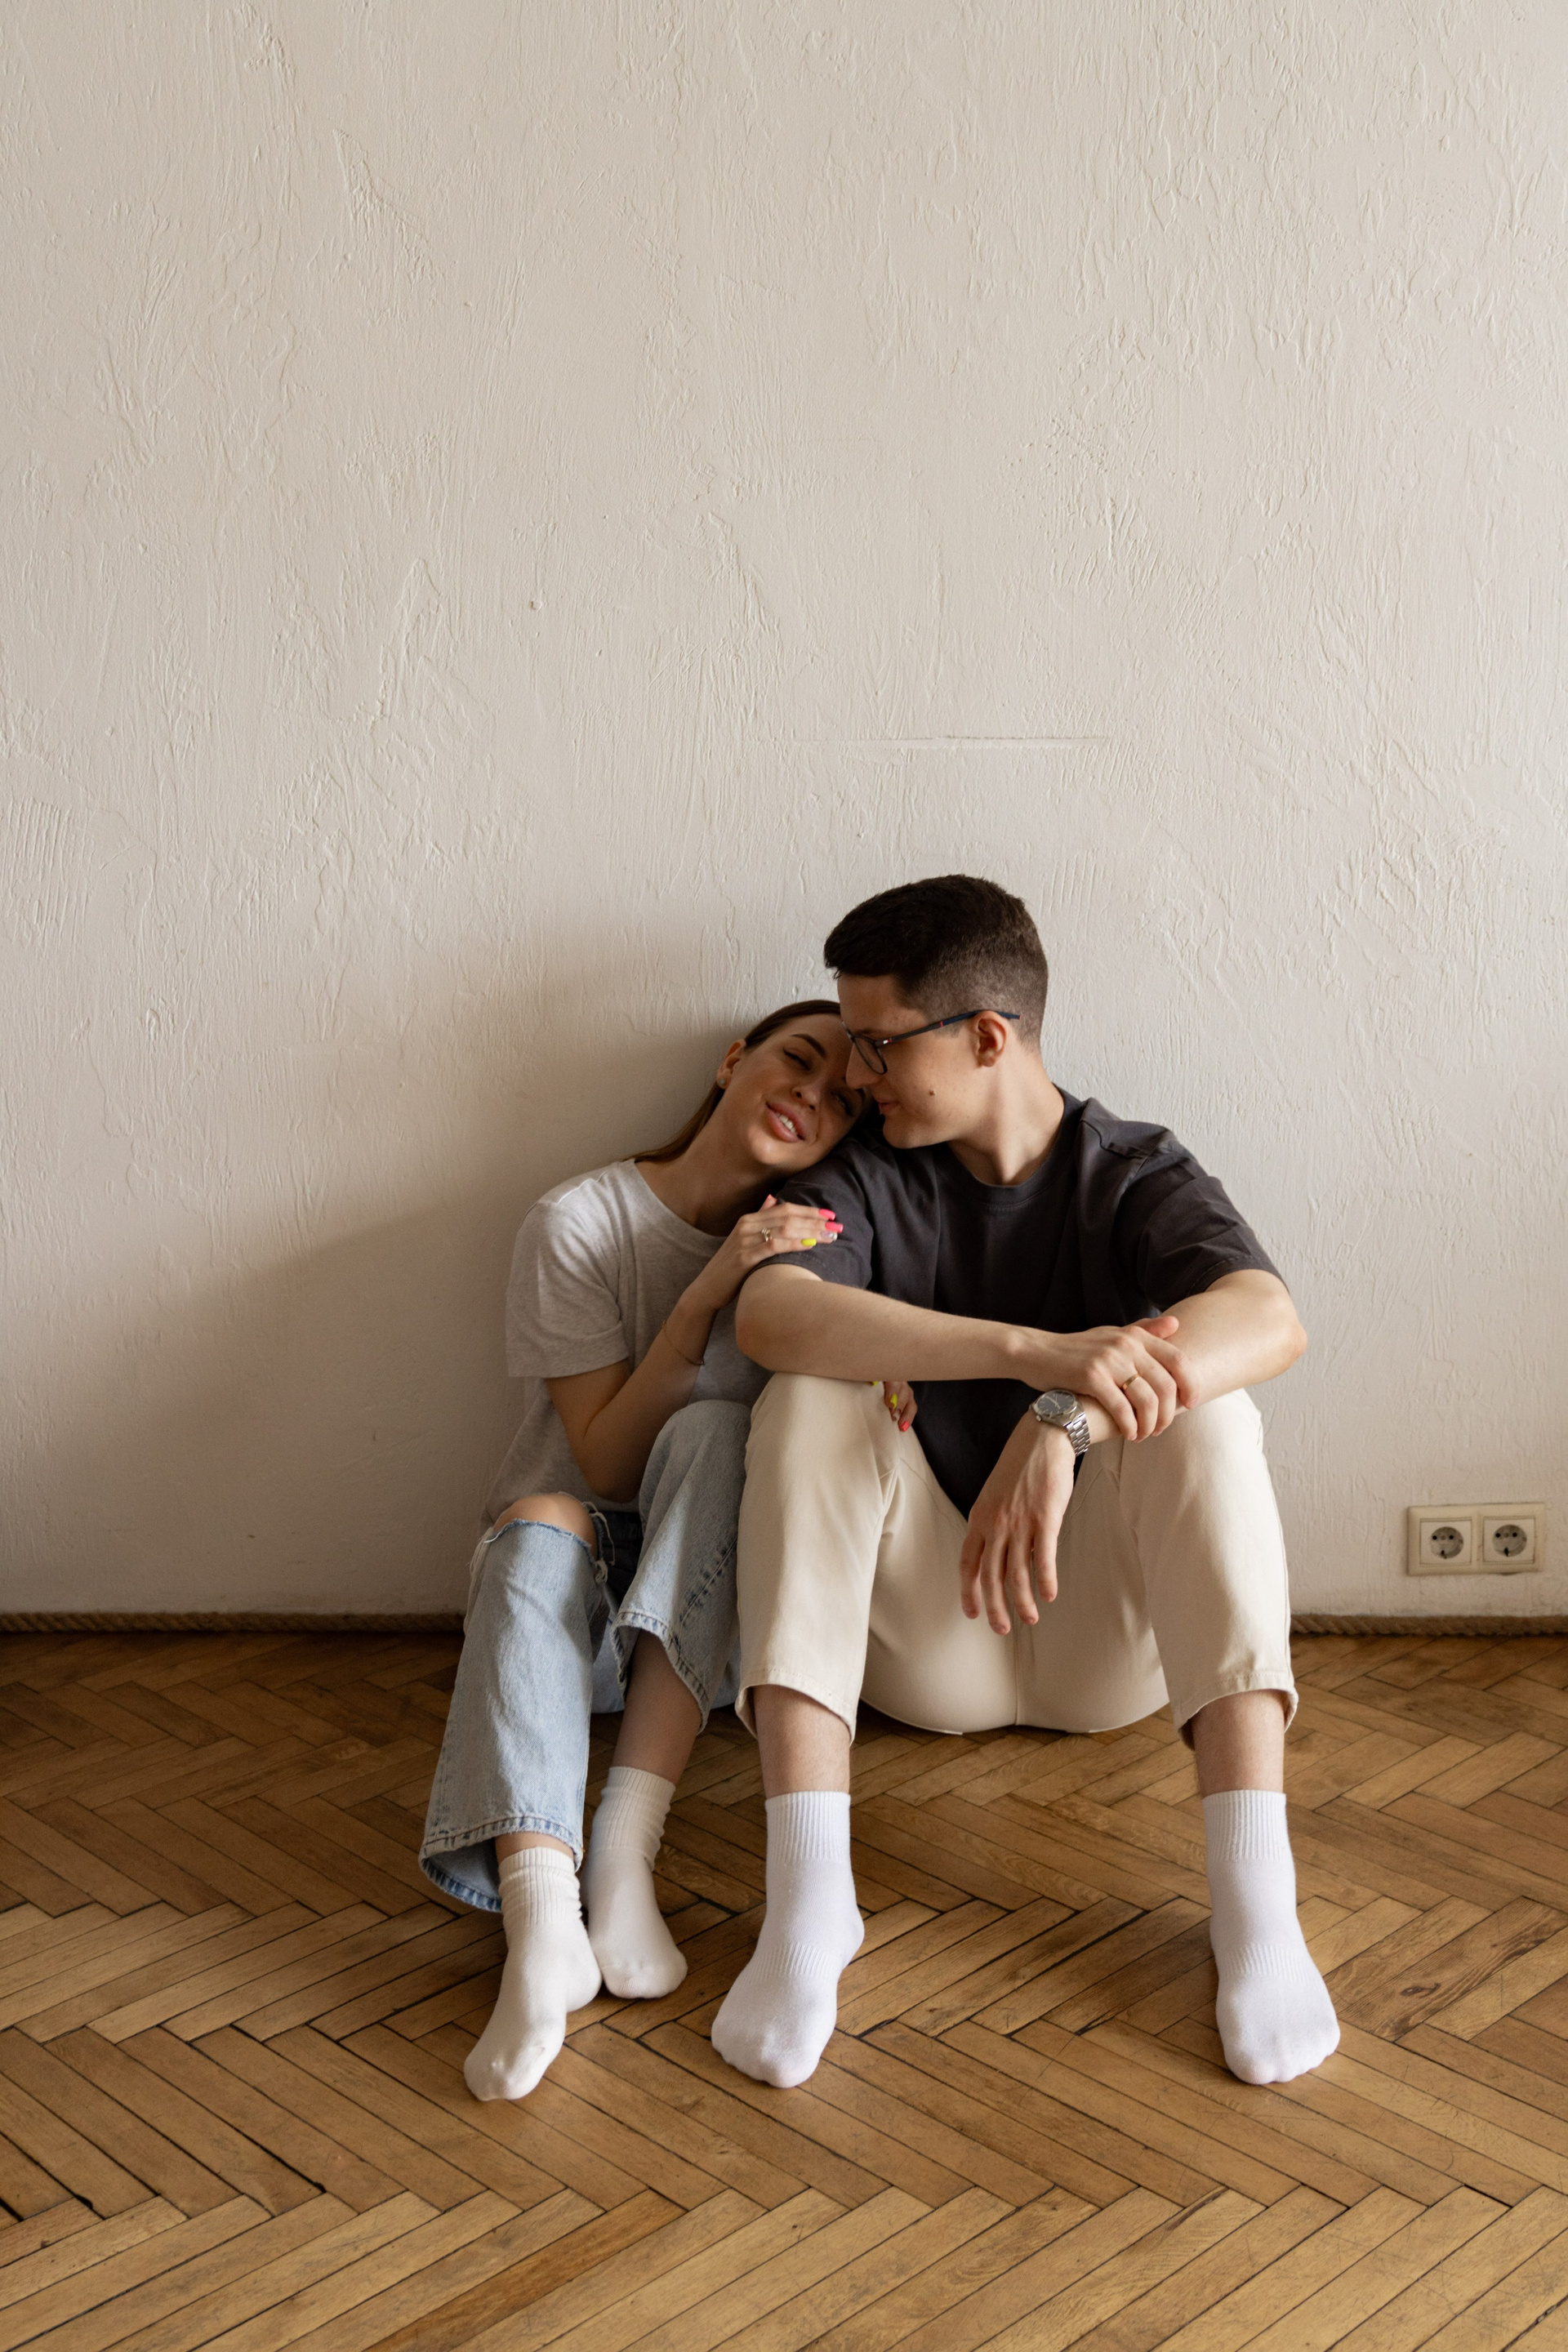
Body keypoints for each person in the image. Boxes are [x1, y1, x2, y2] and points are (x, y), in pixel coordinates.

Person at [710, 875, 1338, 2092]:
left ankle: (1258, 1912)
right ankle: (809, 1905)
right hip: (927, 1641)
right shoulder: (869, 1173)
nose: (857, 1077)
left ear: (987, 1037)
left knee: (1208, 1410)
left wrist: (1062, 1421)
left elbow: (1270, 1318)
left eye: (881, 1045)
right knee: (808, 1397)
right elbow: (771, 1315)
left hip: (1107, 1651)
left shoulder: (1131, 1170)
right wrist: (1034, 1353)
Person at [420, 1000, 864, 2100]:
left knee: (718, 1434)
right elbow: (605, 1465)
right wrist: (709, 1291)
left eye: (844, 1100)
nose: (811, 1097)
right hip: (549, 1610)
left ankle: (626, 1852)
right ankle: (540, 1931)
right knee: (541, 1517)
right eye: (798, 1060)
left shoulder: (823, 1243)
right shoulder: (578, 1221)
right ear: (733, 1060)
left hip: (696, 1614)